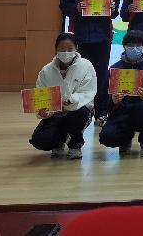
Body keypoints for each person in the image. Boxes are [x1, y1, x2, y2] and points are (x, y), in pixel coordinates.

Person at [59, 0, 121, 125]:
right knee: (80, 74)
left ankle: (101, 112)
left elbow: (115, 11)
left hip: (103, 37)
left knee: (101, 75)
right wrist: (76, 8)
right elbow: (64, 6)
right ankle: (80, 111)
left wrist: (113, 9)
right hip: (81, 37)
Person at [98, 30, 143, 158]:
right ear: (124, 46)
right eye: (130, 45)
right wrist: (113, 101)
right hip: (121, 111)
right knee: (107, 137)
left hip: (142, 110)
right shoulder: (115, 68)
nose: (134, 48)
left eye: (138, 45)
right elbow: (103, 98)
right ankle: (125, 139)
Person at [29, 32, 97, 160]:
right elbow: (41, 94)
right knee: (40, 140)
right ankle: (59, 141)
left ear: (76, 48)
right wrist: (43, 112)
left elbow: (88, 91)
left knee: (79, 114)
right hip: (56, 113)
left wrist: (72, 100)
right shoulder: (46, 70)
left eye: (70, 49)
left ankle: (75, 144)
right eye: (62, 49)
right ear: (56, 49)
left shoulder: (86, 65)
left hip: (78, 110)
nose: (66, 52)